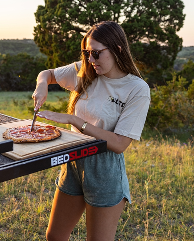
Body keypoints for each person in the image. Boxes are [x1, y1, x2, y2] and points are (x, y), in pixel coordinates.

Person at [32, 21, 151, 241]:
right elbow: (46, 74)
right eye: (86, 53)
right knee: (55, 236)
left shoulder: (137, 89)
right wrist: (42, 86)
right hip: (73, 161)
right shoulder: (85, 71)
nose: (90, 60)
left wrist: (73, 120)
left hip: (104, 168)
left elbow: (119, 144)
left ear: (117, 49)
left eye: (96, 53)